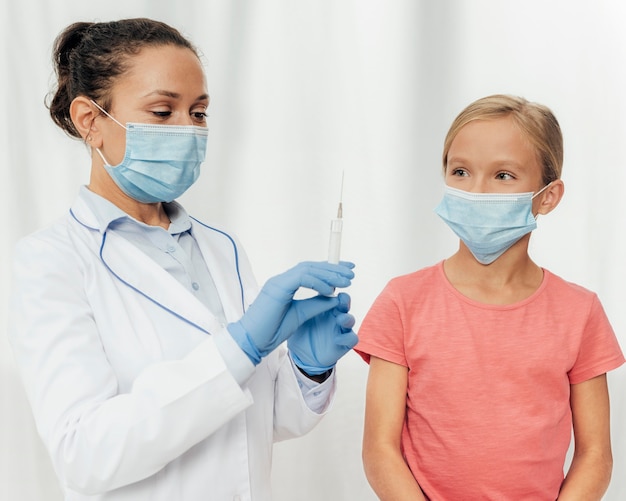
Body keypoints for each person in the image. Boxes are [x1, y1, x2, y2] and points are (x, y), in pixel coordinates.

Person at [8, 18, 358, 501]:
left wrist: (307, 368)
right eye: (162, 111)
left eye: (197, 113)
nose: (187, 131)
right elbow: (83, 456)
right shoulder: (51, 261)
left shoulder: (221, 249)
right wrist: (239, 348)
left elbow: (255, 422)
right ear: (90, 121)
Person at [356, 94, 625, 500]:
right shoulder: (402, 302)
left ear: (548, 196)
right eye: (461, 171)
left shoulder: (579, 313)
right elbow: (380, 449)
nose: (477, 191)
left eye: (503, 176)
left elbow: (595, 455)